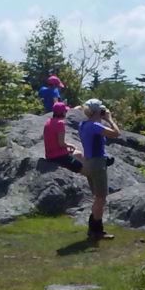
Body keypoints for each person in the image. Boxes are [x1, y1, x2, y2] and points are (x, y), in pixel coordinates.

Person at [78, 99, 121, 241]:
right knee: (101, 197)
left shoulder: (83, 124)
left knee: (97, 197)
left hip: (89, 162)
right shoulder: (95, 125)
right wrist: (110, 119)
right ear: (97, 111)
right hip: (97, 163)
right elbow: (116, 133)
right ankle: (96, 230)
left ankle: (94, 228)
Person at [42, 102, 82, 173]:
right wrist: (71, 145)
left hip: (49, 155)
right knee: (81, 165)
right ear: (63, 113)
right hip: (59, 157)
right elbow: (61, 143)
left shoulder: (48, 122)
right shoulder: (60, 123)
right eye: (65, 111)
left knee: (78, 154)